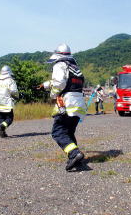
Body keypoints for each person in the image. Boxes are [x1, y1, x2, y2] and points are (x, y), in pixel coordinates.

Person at [39, 43, 86, 171]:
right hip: (78, 103)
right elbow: (66, 81)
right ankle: (77, 159)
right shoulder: (74, 67)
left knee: (58, 131)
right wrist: (45, 84)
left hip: (66, 102)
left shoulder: (59, 64)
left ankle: (74, 154)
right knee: (69, 132)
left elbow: (59, 83)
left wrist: (53, 94)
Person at [0, 65, 19, 138]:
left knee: (0, 118)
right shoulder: (11, 80)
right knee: (9, 118)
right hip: (7, 103)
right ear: (9, 72)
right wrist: (16, 97)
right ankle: (2, 126)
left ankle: (2, 132)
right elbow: (14, 91)